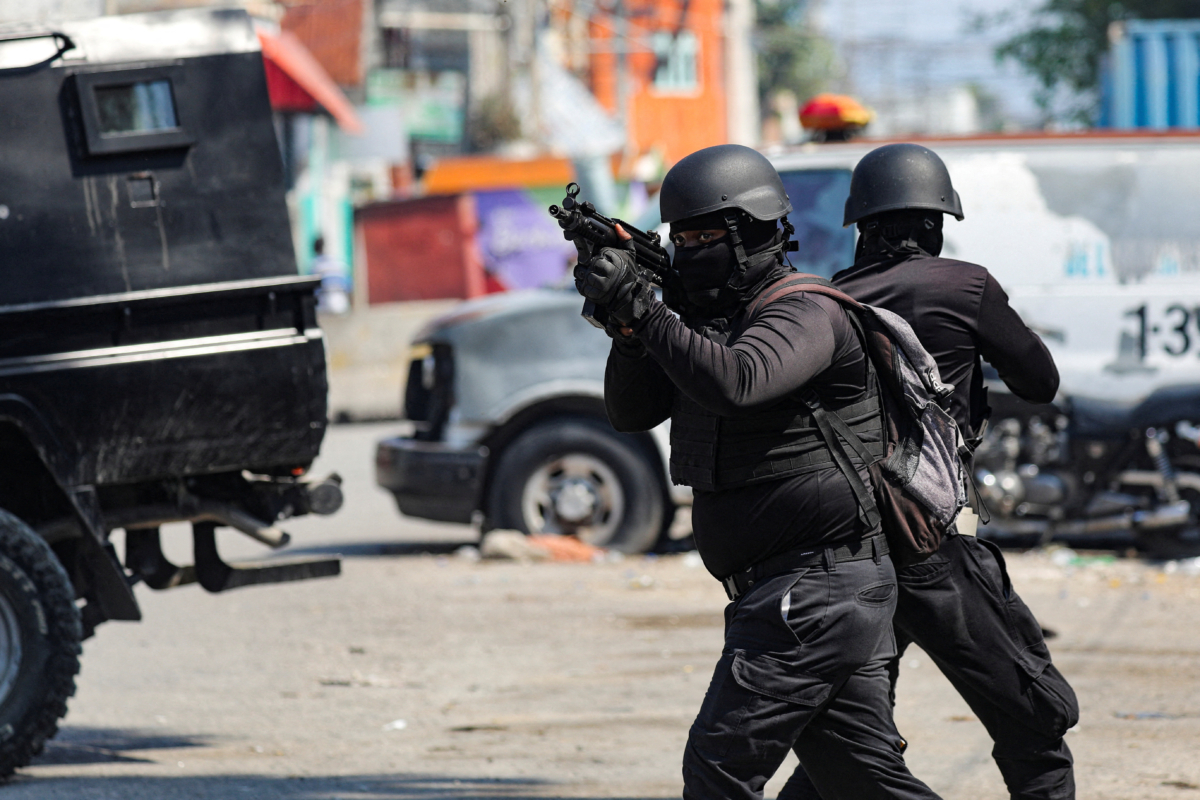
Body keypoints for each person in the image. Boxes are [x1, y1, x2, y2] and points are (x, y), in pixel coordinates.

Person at [573, 143, 941, 800]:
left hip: (814, 590)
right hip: (801, 593)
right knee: (862, 783)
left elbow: (739, 382)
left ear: (754, 232)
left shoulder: (805, 311)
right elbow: (632, 413)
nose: (689, 250)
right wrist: (630, 330)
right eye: (679, 239)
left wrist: (648, 308)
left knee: (718, 771)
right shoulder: (707, 325)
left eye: (704, 236)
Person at [781, 143, 1080, 800]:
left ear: (862, 225)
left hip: (849, 553)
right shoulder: (965, 285)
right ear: (937, 223)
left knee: (849, 743)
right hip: (935, 550)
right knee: (1036, 728)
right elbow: (1040, 382)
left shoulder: (832, 301)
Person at [311, 235, 350, 314]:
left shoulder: (315, 265)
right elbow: (348, 285)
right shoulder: (337, 262)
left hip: (324, 303)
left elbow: (313, 289)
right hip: (341, 302)